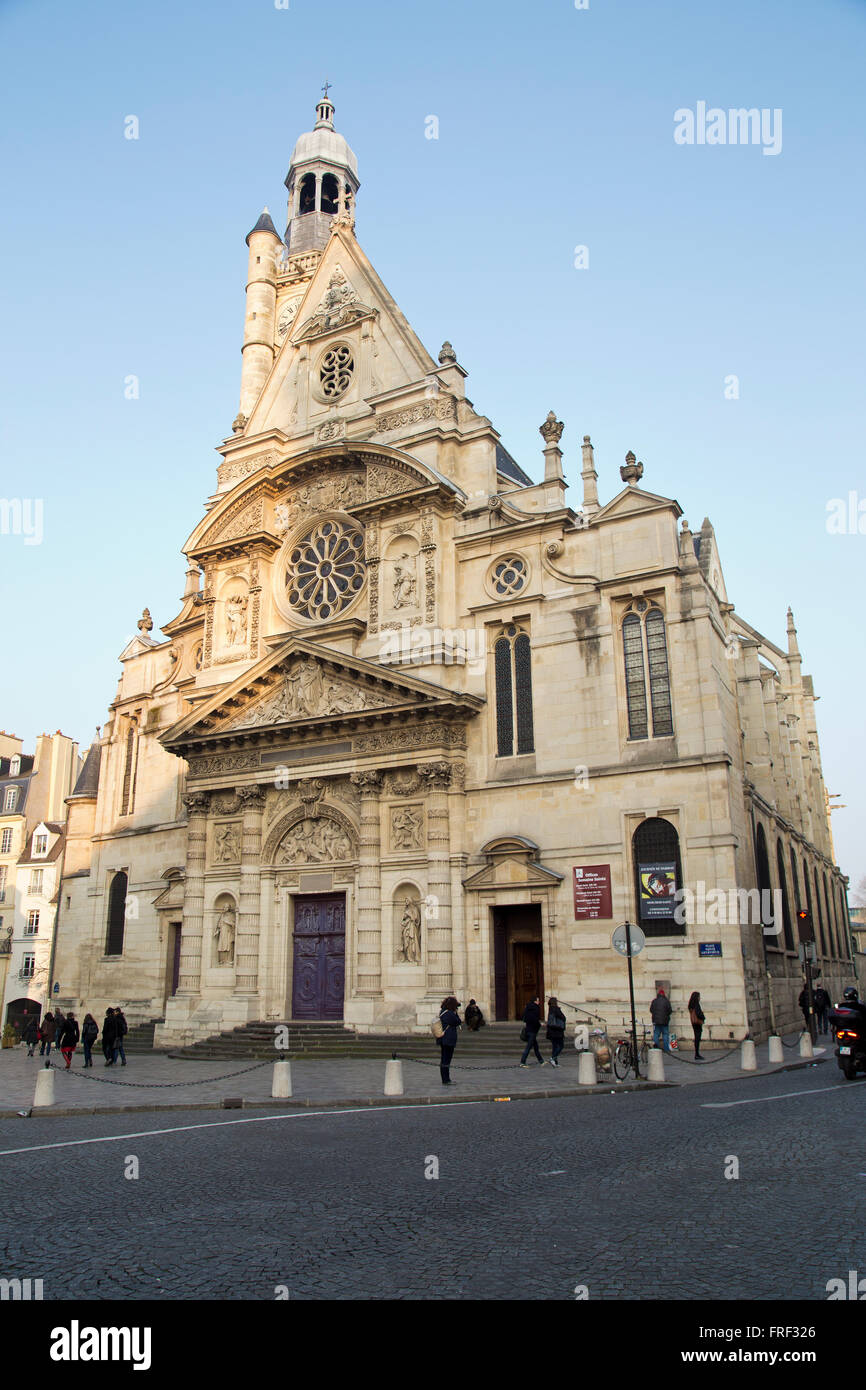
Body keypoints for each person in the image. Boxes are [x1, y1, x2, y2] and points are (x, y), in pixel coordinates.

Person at [436, 996, 461, 1085]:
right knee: (446, 1060)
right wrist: (455, 1013)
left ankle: (445, 1078)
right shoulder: (449, 1014)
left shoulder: (443, 1012)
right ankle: (446, 1079)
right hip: (448, 1040)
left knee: (444, 1059)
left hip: (443, 1039)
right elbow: (458, 1021)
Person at [520, 996, 547, 1067]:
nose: (539, 1002)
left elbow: (525, 1018)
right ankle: (522, 1062)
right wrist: (540, 1023)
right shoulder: (536, 1008)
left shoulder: (527, 1008)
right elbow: (534, 1019)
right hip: (532, 1031)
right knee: (528, 1047)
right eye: (538, 1000)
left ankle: (541, 1061)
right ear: (535, 1001)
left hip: (528, 1029)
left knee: (536, 1047)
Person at [650, 987, 673, 1053]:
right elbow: (670, 1011)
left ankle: (656, 1049)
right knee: (665, 1034)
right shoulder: (666, 1001)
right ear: (664, 995)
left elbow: (651, 1010)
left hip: (656, 1021)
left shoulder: (654, 1001)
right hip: (665, 1021)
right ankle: (666, 1049)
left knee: (656, 1034)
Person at [546, 996, 566, 1066]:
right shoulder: (556, 1009)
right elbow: (563, 1018)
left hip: (552, 1031)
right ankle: (552, 1058)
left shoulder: (550, 1009)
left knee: (555, 1046)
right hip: (557, 1031)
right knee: (560, 1046)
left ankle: (555, 1062)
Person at [688, 991, 706, 1059]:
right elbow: (699, 1013)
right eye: (699, 997)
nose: (699, 998)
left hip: (694, 1022)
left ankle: (697, 1053)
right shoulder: (696, 1004)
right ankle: (697, 1054)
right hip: (697, 1022)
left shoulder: (691, 1005)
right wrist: (703, 1018)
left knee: (696, 1037)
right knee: (697, 1038)